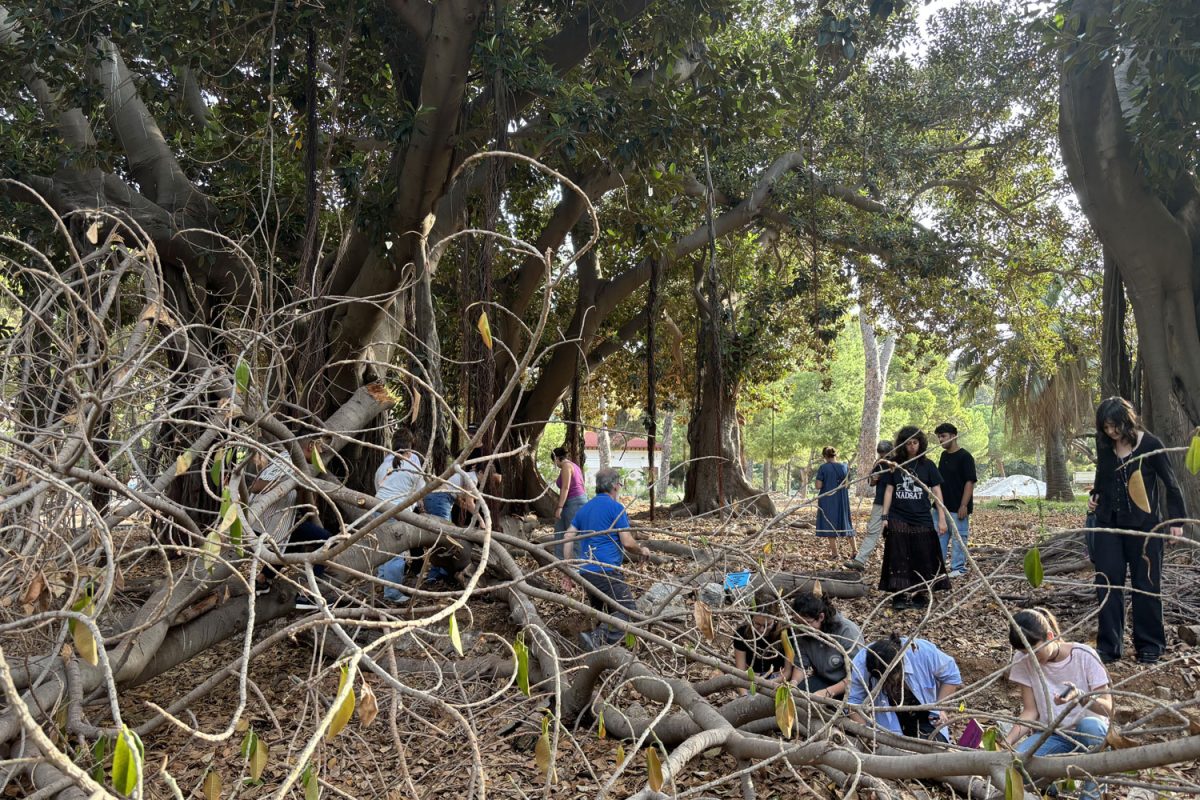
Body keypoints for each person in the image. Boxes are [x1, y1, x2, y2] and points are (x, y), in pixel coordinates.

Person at [1088, 397, 1185, 664]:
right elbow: (1103, 477)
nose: (1111, 433)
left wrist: (1176, 522)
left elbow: (1172, 485)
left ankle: (1150, 645)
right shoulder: (1105, 446)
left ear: (1126, 421)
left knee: (1147, 585)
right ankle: (1109, 647)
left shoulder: (1151, 444)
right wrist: (1095, 496)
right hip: (1109, 525)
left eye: (1114, 427)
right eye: (1105, 428)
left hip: (1145, 528)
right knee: (1107, 583)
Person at [1004, 608, 1111, 799]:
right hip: (1053, 734)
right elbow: (1030, 711)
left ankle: (1091, 793)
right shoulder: (1022, 659)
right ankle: (1058, 786)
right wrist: (1008, 742)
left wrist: (1080, 696)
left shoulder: (1083, 654)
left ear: (1050, 636)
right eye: (1025, 653)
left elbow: (1107, 708)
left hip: (1088, 734)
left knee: (1090, 725)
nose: (1031, 658)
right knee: (1017, 768)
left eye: (1035, 651)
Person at [563, 467, 651, 650]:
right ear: (614, 486)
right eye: (619, 484)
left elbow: (567, 537)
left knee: (608, 613)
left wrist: (568, 572)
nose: (620, 487)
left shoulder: (585, 508)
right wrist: (641, 550)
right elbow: (627, 542)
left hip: (585, 572)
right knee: (628, 612)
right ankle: (596, 640)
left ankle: (601, 654)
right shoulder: (616, 508)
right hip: (606, 571)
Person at [250, 439, 335, 610]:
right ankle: (307, 595)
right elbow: (256, 486)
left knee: (295, 543)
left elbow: (301, 501)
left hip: (280, 523)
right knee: (327, 540)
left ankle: (263, 580)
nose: (322, 452)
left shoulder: (295, 464)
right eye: (320, 447)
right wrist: (288, 484)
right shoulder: (286, 461)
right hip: (263, 523)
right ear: (310, 445)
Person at [879, 427, 950, 610]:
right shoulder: (894, 464)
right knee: (898, 554)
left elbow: (937, 491)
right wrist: (884, 517)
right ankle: (899, 594)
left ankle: (920, 592)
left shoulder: (928, 465)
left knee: (924, 553)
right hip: (898, 514)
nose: (912, 447)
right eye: (908, 443)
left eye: (915, 443)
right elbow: (889, 490)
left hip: (922, 516)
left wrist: (941, 517)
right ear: (903, 444)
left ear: (921, 443)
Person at [847, 634, 961, 741]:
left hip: (925, 715)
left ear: (901, 665)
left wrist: (941, 708)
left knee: (934, 750)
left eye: (890, 679)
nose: (887, 684)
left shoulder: (921, 652)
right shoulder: (861, 663)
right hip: (884, 723)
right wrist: (867, 735)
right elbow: (853, 702)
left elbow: (951, 675)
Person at [373, 429, 424, 604]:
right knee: (397, 551)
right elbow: (420, 492)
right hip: (396, 511)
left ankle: (381, 582)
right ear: (411, 449)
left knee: (383, 548)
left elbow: (378, 489)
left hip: (378, 508)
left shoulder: (382, 466)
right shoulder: (413, 466)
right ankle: (392, 593)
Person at [789, 590, 863, 698]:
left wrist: (827, 692)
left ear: (821, 617)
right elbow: (801, 665)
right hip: (823, 680)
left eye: (806, 623)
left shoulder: (847, 631)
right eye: (798, 623)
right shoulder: (803, 633)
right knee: (799, 694)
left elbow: (858, 676)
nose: (802, 627)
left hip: (849, 686)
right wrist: (793, 684)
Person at [934, 422, 977, 578]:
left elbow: (970, 481)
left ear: (953, 436)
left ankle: (958, 568)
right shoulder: (943, 456)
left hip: (958, 507)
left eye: (943, 436)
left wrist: (964, 505)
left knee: (959, 539)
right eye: (939, 437)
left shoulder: (965, 457)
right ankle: (939, 568)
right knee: (939, 537)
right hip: (940, 507)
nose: (940, 440)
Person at [845, 440, 893, 571]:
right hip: (880, 503)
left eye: (886, 454)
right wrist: (873, 479)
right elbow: (871, 482)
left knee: (897, 533)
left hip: (897, 503)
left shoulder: (897, 463)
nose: (883, 456)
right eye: (881, 453)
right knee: (872, 531)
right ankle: (860, 560)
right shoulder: (878, 464)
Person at [732, 594, 792, 694]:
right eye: (758, 624)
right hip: (751, 678)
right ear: (751, 618)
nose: (762, 630)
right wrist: (744, 695)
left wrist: (767, 684)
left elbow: (787, 672)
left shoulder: (785, 633)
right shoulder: (742, 633)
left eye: (768, 624)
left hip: (778, 679)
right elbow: (740, 671)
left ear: (775, 618)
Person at [814, 446, 856, 560]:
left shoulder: (823, 468)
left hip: (828, 500)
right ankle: (855, 551)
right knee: (846, 522)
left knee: (830, 524)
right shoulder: (844, 467)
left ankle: (835, 554)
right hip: (842, 499)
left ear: (825, 456)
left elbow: (818, 486)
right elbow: (847, 485)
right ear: (835, 455)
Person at [551, 446, 587, 560]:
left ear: (556, 458)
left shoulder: (567, 466)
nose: (555, 464)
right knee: (560, 529)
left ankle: (576, 561)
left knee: (574, 532)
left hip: (575, 502)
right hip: (570, 502)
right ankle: (559, 559)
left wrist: (560, 507)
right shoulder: (573, 466)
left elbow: (565, 487)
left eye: (554, 461)